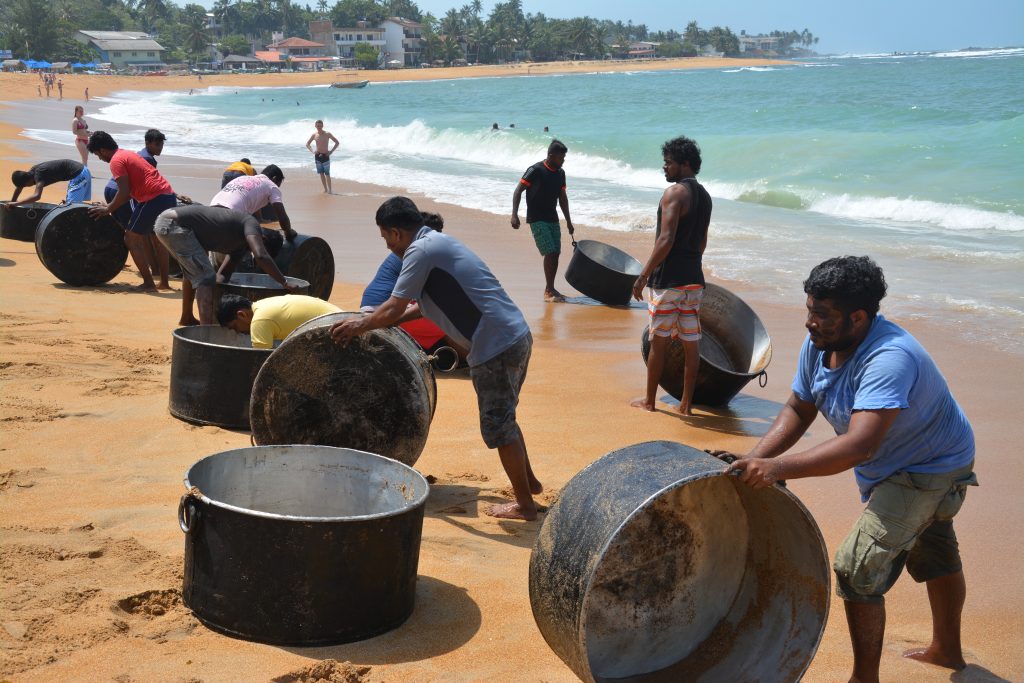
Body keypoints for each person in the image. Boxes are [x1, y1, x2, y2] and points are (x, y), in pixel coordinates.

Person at [716, 256, 976, 683]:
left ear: (858, 317)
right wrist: (758, 459)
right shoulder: (822, 344)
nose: (810, 323)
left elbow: (860, 445)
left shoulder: (890, 358)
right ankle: (948, 650)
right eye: (809, 310)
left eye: (821, 314)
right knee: (935, 545)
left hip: (929, 466)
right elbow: (800, 407)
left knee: (856, 570)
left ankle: (864, 679)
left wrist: (778, 468)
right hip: (899, 460)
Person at [331, 197, 542, 520]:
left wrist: (359, 325)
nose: (387, 246)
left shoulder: (419, 251)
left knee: (499, 426)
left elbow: (394, 305)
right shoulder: (436, 242)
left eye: (386, 237)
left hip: (494, 345)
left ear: (397, 232)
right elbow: (417, 308)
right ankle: (530, 483)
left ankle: (525, 505)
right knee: (506, 415)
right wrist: (385, 322)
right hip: (513, 335)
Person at [631, 136, 712, 416]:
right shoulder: (705, 196)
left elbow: (665, 239)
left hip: (668, 282)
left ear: (684, 164)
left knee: (659, 341)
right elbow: (701, 242)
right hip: (694, 280)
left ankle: (649, 401)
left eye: (668, 163)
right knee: (692, 344)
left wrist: (643, 275)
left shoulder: (675, 194)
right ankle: (686, 405)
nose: (665, 168)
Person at [153, 205, 296, 326]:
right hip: (173, 224)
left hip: (173, 224)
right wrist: (284, 282)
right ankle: (206, 332)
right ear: (262, 239)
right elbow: (261, 256)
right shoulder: (251, 224)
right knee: (205, 277)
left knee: (199, 274)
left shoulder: (240, 247)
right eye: (264, 248)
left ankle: (188, 318)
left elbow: (222, 276)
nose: (254, 253)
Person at [360, 212, 467, 362]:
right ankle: (477, 361)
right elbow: (434, 301)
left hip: (373, 310)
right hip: (380, 313)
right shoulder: (420, 254)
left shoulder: (410, 251)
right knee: (450, 321)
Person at [87, 131, 176, 291]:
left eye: (98, 155)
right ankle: (164, 282)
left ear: (102, 150)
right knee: (158, 239)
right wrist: (111, 207)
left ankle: (149, 284)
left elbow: (123, 190)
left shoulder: (116, 161)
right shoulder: (126, 154)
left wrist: (108, 209)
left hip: (154, 198)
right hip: (167, 195)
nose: (100, 159)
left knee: (130, 238)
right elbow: (129, 193)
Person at [510, 139, 575, 302]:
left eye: (564, 158)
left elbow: (562, 198)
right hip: (537, 218)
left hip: (552, 217)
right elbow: (518, 191)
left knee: (556, 253)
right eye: (561, 158)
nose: (563, 161)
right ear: (551, 156)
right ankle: (549, 290)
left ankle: (550, 288)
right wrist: (514, 214)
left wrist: (568, 221)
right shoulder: (535, 170)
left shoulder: (561, 173)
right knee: (550, 252)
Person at [218, 294, 341, 348]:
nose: (238, 332)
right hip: (341, 318)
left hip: (337, 329)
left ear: (242, 315)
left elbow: (259, 361)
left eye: (235, 327)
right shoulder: (262, 304)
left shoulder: (259, 321)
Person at [210, 165, 297, 240]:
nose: (278, 187)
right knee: (247, 248)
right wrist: (288, 232)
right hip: (232, 215)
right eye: (279, 184)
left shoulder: (243, 178)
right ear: (274, 179)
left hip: (210, 211)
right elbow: (282, 217)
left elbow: (252, 202)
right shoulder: (272, 186)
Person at [6, 159, 92, 209]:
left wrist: (16, 204)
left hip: (79, 175)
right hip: (79, 172)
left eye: (25, 186)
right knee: (74, 205)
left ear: (27, 182)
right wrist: (12, 201)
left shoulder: (39, 175)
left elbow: (37, 196)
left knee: (72, 208)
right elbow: (19, 187)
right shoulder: (31, 172)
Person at [305, 120, 339, 194]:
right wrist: (313, 151)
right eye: (317, 126)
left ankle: (330, 190)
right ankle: (325, 189)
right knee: (321, 173)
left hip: (325, 156)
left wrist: (331, 152)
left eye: (320, 126)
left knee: (327, 174)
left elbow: (337, 142)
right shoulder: (314, 135)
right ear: (315, 126)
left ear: (322, 126)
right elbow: (307, 144)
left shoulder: (327, 134)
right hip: (318, 156)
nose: (319, 127)